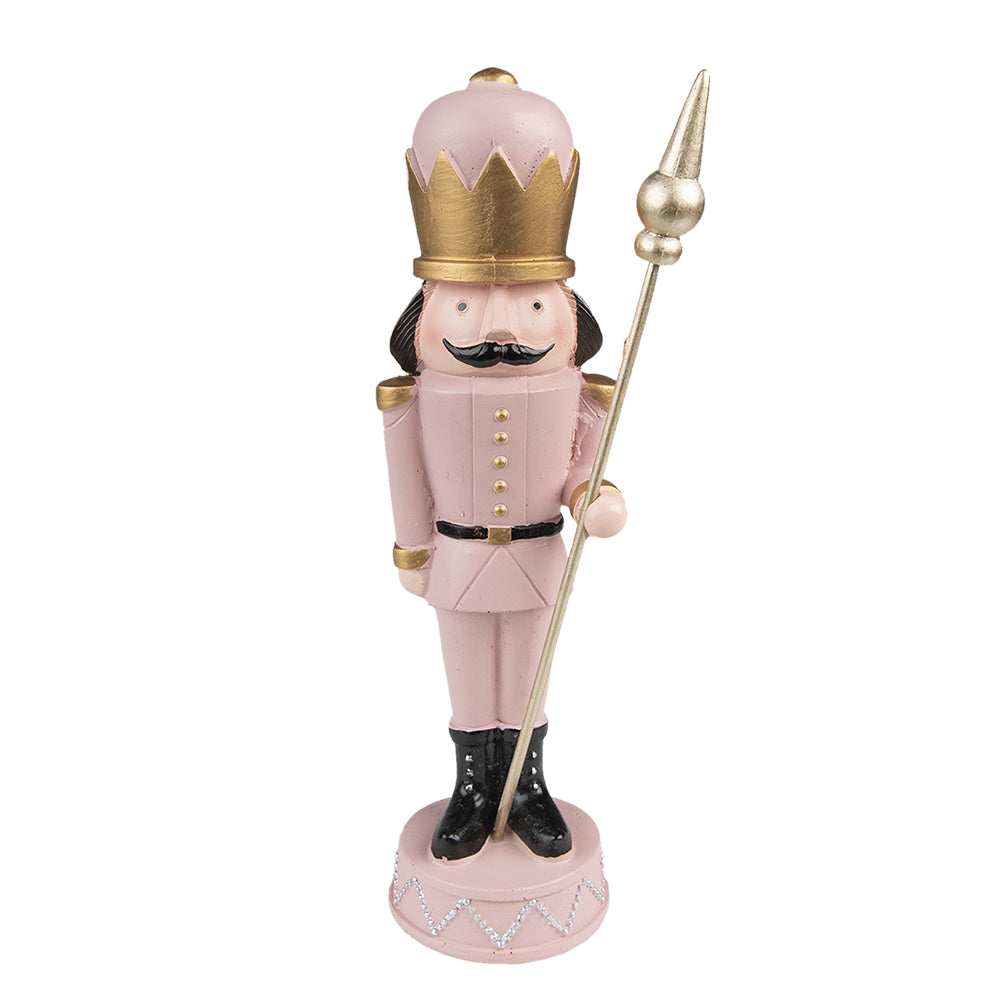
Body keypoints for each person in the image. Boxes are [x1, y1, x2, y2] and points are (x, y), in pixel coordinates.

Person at [377, 70, 626, 861]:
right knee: (466, 679)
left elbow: (582, 468)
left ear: (567, 313)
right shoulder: (413, 396)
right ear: (425, 315)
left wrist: (594, 497)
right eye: (463, 306)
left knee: (527, 675)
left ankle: (526, 785)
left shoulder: (578, 392)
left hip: (536, 551)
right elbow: (406, 473)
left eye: (532, 305)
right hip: (454, 555)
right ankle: (473, 786)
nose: (499, 331)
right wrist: (412, 550)